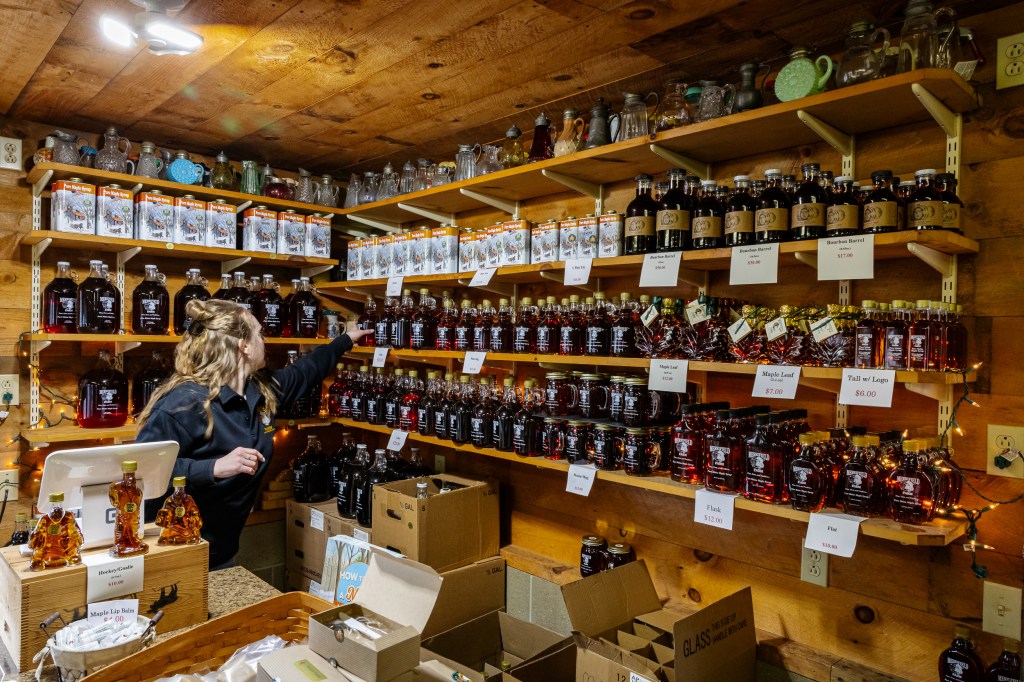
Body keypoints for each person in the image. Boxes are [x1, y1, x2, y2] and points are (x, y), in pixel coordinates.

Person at [136, 298, 370, 569]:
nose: (264, 340)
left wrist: (346, 340)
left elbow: (305, 371)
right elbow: (141, 473)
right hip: (170, 553)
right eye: (259, 333)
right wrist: (213, 468)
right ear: (243, 346)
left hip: (222, 550)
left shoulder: (261, 391)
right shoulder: (183, 404)